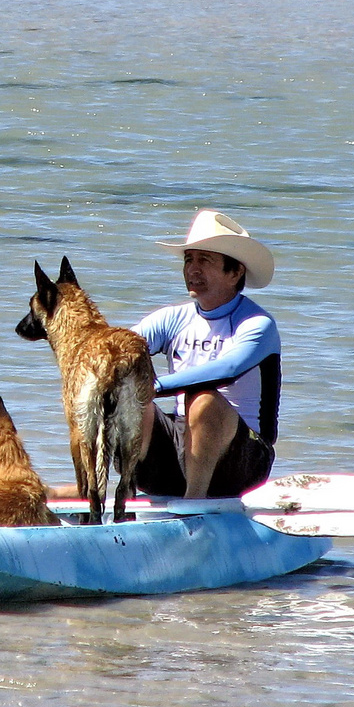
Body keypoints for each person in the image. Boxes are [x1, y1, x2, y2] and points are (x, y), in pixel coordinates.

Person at [130, 209, 280, 499]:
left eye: (205, 260)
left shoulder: (258, 324)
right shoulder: (172, 319)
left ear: (235, 272)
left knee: (204, 399)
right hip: (178, 448)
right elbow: (118, 348)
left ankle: (193, 505)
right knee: (125, 398)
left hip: (242, 464)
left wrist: (155, 387)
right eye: (189, 260)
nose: (192, 270)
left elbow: (229, 369)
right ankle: (114, 495)